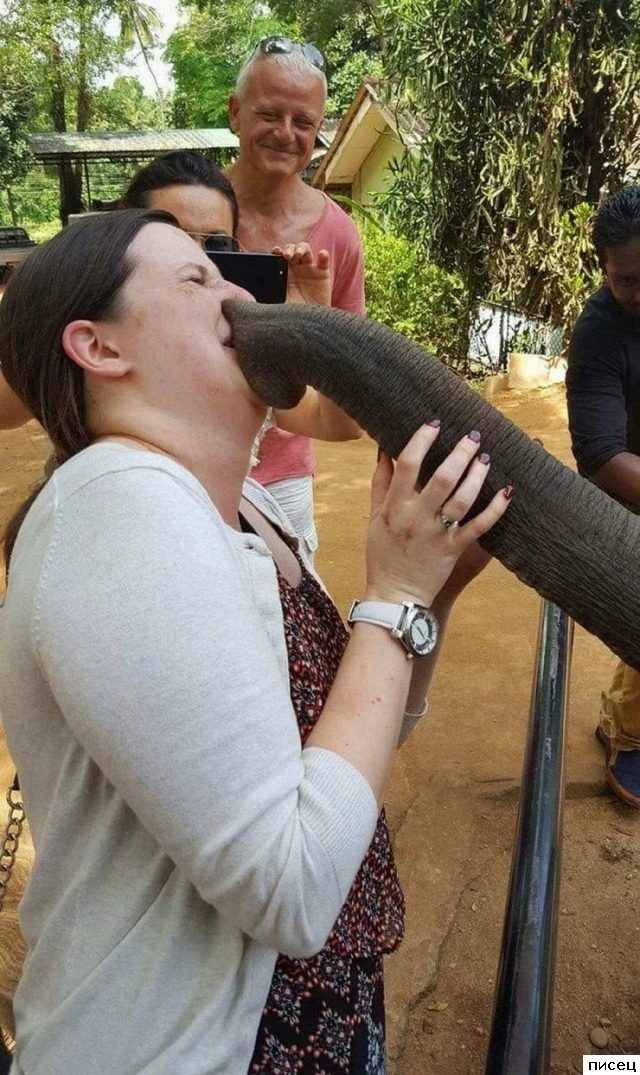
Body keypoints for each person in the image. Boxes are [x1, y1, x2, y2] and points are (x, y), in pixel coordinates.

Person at [0, 209, 512, 1074]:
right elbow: (292, 884)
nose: (238, 297)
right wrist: (393, 597)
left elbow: (336, 756)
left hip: (314, 1013)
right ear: (99, 347)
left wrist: (430, 597)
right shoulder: (117, 505)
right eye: (196, 279)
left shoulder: (243, 507)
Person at [227, 38, 366, 559]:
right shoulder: (190, 212)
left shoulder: (338, 235)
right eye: (269, 114)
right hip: (184, 458)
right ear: (235, 113)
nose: (286, 134)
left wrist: (316, 326)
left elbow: (349, 384)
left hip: (283, 476)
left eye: (303, 122)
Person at [566, 184, 640, 808]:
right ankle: (628, 731)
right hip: (628, 489)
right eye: (628, 281)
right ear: (606, 272)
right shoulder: (599, 334)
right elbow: (599, 456)